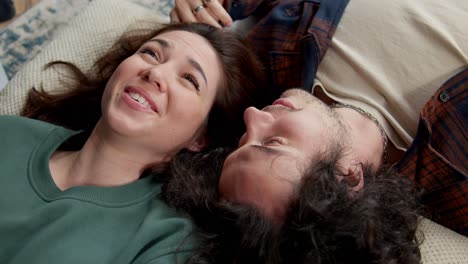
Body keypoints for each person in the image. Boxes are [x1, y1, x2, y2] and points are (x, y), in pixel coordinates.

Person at [170, 0, 467, 236]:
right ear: (349, 178)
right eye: (272, 142)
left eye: (244, 140)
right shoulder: (455, 172)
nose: (254, 116)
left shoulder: (269, 66)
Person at [0, 22, 269, 264]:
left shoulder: (167, 242)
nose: (155, 72)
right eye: (150, 53)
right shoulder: (10, 132)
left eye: (189, 79)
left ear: (201, 139)